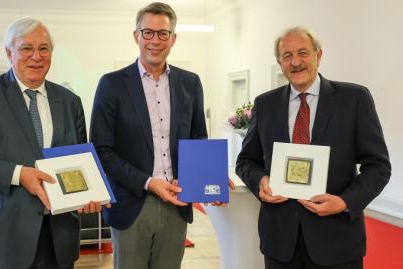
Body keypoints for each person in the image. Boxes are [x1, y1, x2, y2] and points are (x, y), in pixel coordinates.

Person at [0, 17, 102, 269]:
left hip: (58, 243)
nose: (36, 56)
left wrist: (87, 195)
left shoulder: (70, 101)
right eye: (26, 48)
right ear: (9, 52)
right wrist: (18, 174)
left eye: (43, 48)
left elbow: (77, 162)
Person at [236, 26, 391, 269]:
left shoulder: (354, 99)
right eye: (287, 56)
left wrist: (344, 202)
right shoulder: (265, 104)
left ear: (318, 56)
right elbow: (246, 161)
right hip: (280, 243)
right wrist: (260, 181)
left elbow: (378, 166)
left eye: (303, 53)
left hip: (337, 241)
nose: (295, 62)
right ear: (279, 62)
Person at [90, 2, 210, 268]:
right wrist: (148, 181)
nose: (155, 41)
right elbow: (101, 150)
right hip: (132, 204)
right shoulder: (112, 85)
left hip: (177, 202)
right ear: (136, 36)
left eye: (163, 34)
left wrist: (201, 174)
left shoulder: (190, 83)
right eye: (148, 33)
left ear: (173, 39)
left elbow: (198, 137)